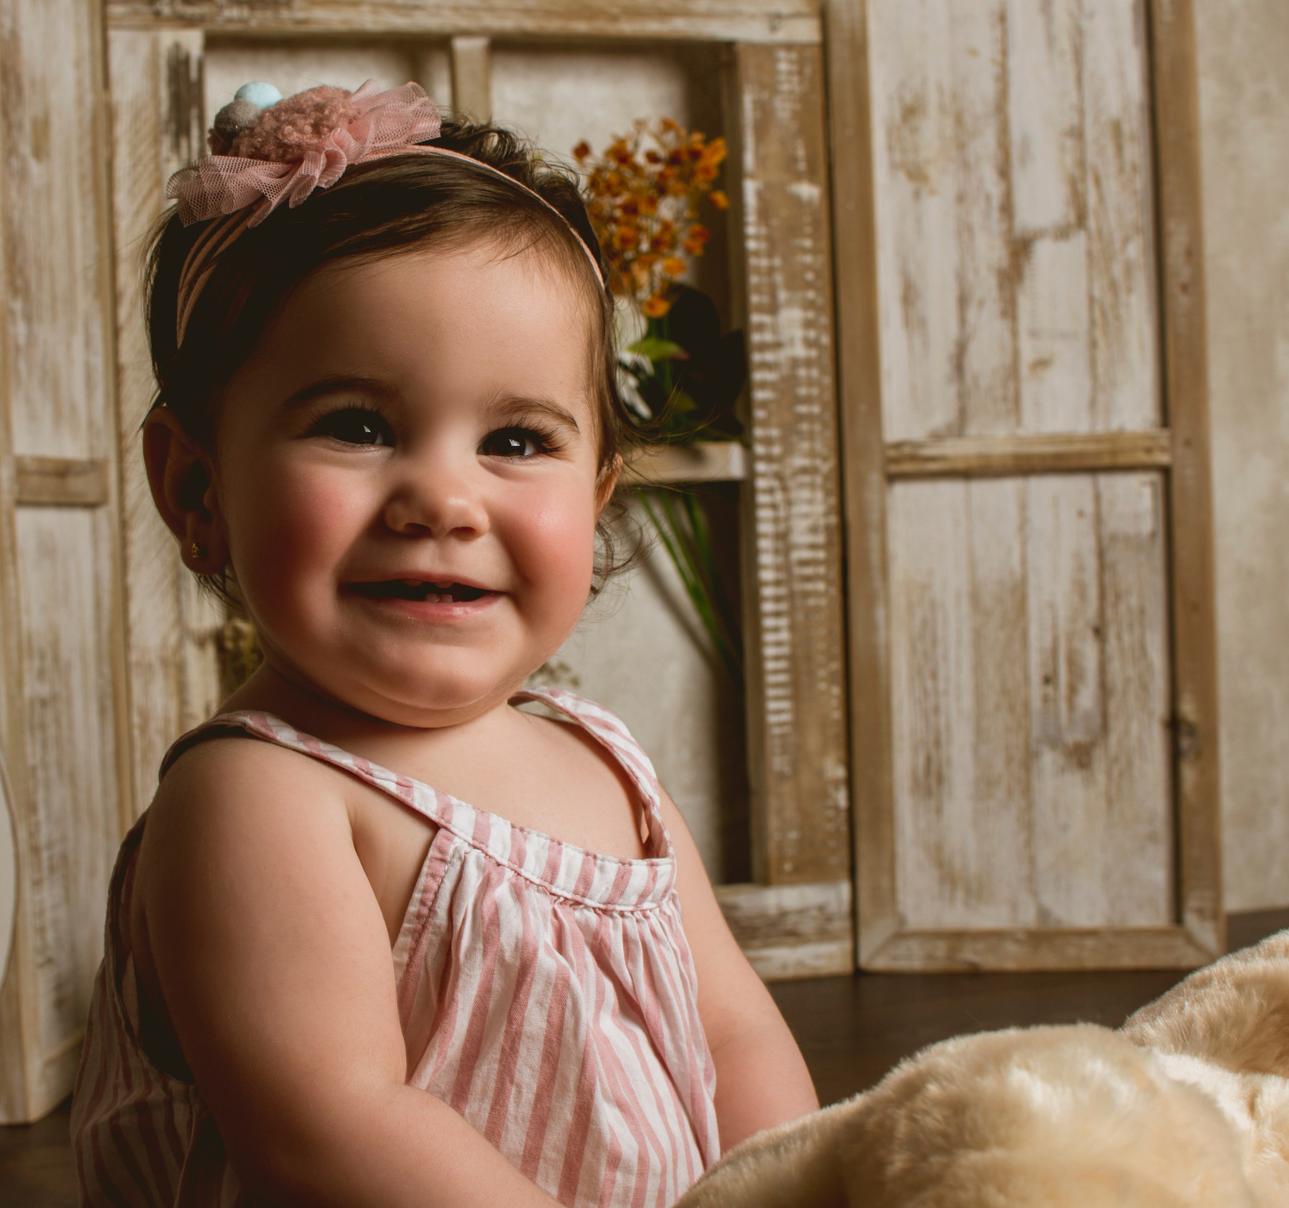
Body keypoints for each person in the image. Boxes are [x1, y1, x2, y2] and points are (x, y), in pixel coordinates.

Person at [71, 79, 818, 1208]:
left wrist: (796, 1185)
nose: (444, 499)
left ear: (597, 497)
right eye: (358, 426)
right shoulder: (258, 799)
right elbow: (336, 1132)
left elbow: (736, 1036)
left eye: (515, 440)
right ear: (197, 487)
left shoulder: (608, 766)